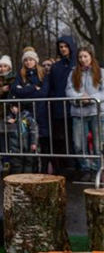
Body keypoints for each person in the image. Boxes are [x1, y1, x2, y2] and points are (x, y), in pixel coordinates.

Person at [65, 47, 104, 182]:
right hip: (78, 113)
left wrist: (92, 98)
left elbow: (103, 91)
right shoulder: (73, 73)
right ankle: (85, 169)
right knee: (78, 144)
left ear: (91, 57)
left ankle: (97, 169)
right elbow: (69, 90)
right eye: (80, 57)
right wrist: (79, 98)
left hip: (96, 112)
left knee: (98, 143)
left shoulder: (101, 72)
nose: (83, 59)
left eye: (85, 56)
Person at [9, 48, 49, 171]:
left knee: (38, 141)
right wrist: (33, 88)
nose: (28, 62)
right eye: (25, 60)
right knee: (25, 142)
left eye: (31, 59)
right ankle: (26, 170)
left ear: (35, 60)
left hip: (40, 112)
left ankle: (39, 169)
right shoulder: (20, 75)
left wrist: (24, 91)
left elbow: (43, 93)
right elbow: (15, 90)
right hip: (25, 114)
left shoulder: (43, 74)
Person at [48, 36, 78, 174]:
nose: (63, 49)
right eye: (61, 47)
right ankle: (65, 168)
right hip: (59, 108)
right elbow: (51, 87)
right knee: (61, 140)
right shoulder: (56, 67)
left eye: (66, 46)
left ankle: (80, 167)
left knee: (76, 140)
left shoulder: (78, 63)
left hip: (77, 108)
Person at [6, 103, 39, 173]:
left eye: (14, 107)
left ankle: (27, 180)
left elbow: (34, 131)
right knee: (16, 165)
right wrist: (7, 121)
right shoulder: (10, 118)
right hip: (15, 147)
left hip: (27, 145)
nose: (12, 109)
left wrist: (34, 143)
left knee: (29, 163)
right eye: (11, 108)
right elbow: (2, 125)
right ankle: (17, 180)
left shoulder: (28, 117)